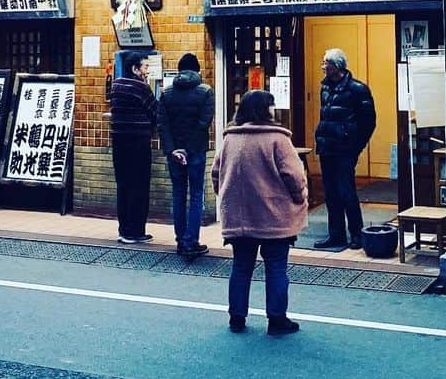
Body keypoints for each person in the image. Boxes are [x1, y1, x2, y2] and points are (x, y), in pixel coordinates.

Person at [212, 90, 307, 336]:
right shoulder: (277, 139)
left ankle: (237, 317)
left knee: (241, 266)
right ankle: (276, 320)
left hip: (239, 218)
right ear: (265, 110)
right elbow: (294, 177)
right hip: (273, 216)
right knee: (276, 267)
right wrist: (299, 198)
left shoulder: (230, 138)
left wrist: (226, 197)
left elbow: (216, 173)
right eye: (272, 105)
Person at [313, 48, 376, 250]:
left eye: (326, 63)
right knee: (330, 194)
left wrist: (355, 147)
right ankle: (336, 235)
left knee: (346, 192)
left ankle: (356, 234)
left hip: (344, 150)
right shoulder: (325, 88)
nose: (323, 67)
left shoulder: (358, 89)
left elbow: (368, 122)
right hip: (326, 147)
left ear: (336, 66)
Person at [159, 52, 215, 256]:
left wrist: (174, 149)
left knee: (178, 194)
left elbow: (163, 124)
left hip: (174, 153)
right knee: (196, 195)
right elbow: (203, 123)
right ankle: (192, 240)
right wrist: (188, 149)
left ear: (179, 69)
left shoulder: (167, 93)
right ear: (198, 70)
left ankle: (181, 240)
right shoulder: (206, 91)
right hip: (196, 151)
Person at [109, 50, 158, 244]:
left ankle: (124, 229)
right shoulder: (140, 87)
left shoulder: (116, 85)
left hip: (118, 141)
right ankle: (136, 231)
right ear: (135, 68)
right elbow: (155, 111)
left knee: (123, 185)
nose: (147, 71)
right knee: (139, 185)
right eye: (145, 67)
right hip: (138, 142)